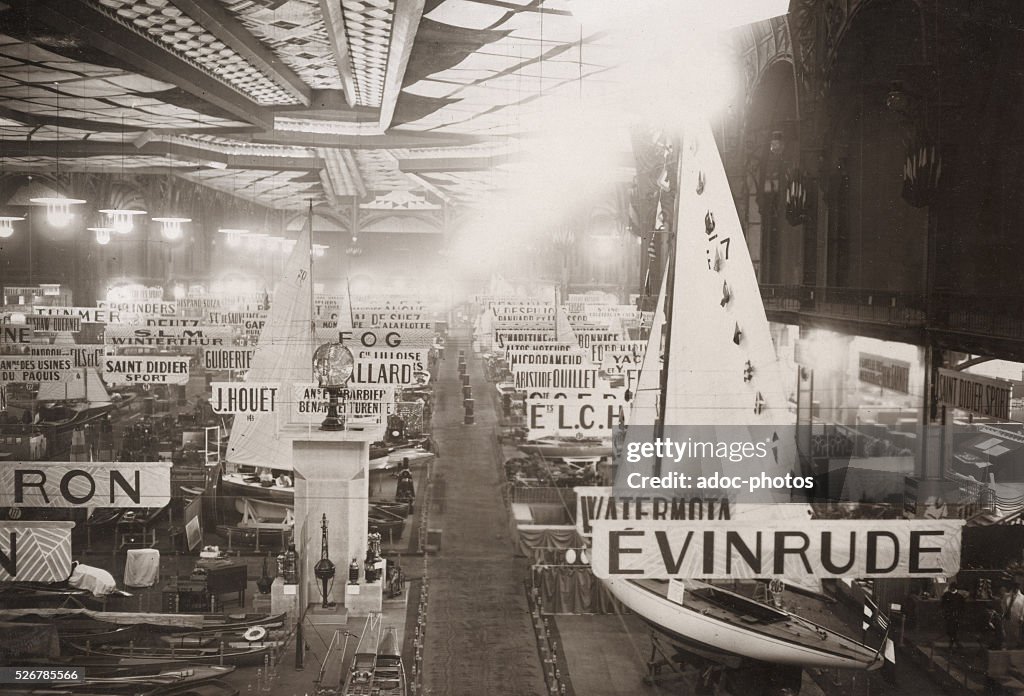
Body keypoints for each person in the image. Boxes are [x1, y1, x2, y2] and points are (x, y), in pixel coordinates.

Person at [941, 582, 966, 649]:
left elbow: (963, 607)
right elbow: (942, 605)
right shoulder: (946, 595)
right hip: (949, 615)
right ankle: (955, 642)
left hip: (956, 615)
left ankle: (952, 643)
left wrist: (960, 614)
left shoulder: (960, 596)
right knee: (949, 630)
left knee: (954, 629)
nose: (951, 589)